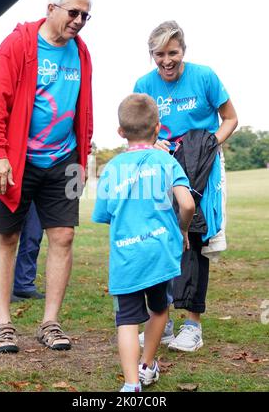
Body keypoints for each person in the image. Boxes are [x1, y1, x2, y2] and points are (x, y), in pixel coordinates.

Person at [0, 0, 93, 353]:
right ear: (51, 9)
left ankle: (50, 323)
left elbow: (83, 106)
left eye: (85, 15)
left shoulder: (82, 51)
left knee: (64, 236)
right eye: (73, 12)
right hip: (14, 160)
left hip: (65, 160)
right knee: (7, 238)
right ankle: (3, 324)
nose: (79, 21)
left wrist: (84, 156)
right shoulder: (19, 45)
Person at [134, 20, 238, 352]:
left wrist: (210, 144)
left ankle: (193, 325)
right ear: (151, 54)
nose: (167, 61)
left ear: (184, 51)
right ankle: (159, 322)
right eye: (159, 54)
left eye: (173, 53)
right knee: (159, 239)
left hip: (201, 169)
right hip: (161, 169)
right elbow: (139, 128)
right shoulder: (143, 84)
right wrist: (152, 143)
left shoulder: (205, 77)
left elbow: (231, 118)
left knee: (193, 237)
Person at [92, 93, 195, 392]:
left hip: (127, 256)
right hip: (160, 252)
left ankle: (131, 383)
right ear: (158, 128)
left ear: (121, 132)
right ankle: (147, 365)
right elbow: (187, 205)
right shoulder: (166, 160)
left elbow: (105, 214)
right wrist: (182, 230)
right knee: (159, 309)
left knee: (126, 319)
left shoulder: (111, 169)